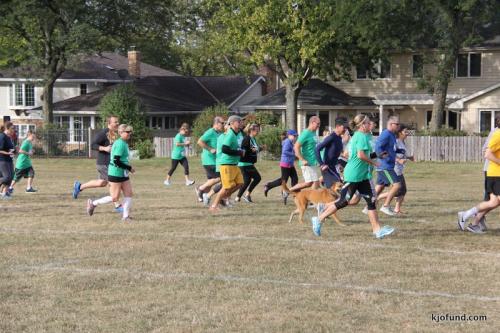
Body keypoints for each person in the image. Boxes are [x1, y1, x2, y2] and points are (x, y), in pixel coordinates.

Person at [312, 114, 395, 239]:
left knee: (371, 201)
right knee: (343, 201)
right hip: (354, 175)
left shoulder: (361, 136)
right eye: (367, 123)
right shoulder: (360, 136)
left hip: (362, 176)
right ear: (362, 125)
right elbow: (361, 155)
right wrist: (375, 162)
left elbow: (362, 155)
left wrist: (377, 154)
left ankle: (377, 230)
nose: (369, 125)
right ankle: (318, 219)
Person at [458, 117, 500, 233]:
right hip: (494, 173)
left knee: (493, 202)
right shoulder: (497, 134)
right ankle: (474, 220)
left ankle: (468, 216)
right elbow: (487, 152)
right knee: (492, 201)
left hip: (495, 173)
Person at [72, 116, 123, 212]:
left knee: (102, 182)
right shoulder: (104, 133)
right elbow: (92, 145)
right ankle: (117, 205)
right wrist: (105, 148)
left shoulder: (114, 134)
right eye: (115, 122)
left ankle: (79, 186)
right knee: (113, 184)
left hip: (109, 163)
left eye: (118, 122)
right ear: (109, 123)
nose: (117, 123)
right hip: (104, 163)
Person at [87, 124, 135, 221]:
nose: (130, 133)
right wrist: (129, 168)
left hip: (123, 173)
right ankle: (93, 204)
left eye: (130, 132)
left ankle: (125, 217)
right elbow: (116, 161)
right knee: (114, 198)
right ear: (121, 133)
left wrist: (127, 168)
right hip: (115, 173)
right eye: (127, 132)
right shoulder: (120, 144)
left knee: (129, 194)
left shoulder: (124, 143)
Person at [209, 115, 244, 212]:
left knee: (240, 183)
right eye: (239, 121)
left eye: (241, 121)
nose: (241, 123)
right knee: (226, 187)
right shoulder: (230, 134)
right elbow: (225, 149)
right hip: (226, 165)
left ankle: (225, 197)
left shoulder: (237, 134)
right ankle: (213, 206)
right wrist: (239, 152)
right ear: (232, 123)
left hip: (234, 164)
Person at [376, 125, 414, 215]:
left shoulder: (402, 142)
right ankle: (379, 198)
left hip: (399, 170)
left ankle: (397, 209)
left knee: (402, 191)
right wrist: (398, 160)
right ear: (400, 133)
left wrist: (409, 157)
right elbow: (391, 154)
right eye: (405, 131)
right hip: (394, 169)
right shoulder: (396, 142)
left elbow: (401, 154)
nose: (407, 133)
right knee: (398, 189)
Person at [374, 116, 401, 216]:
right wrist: (381, 155)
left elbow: (391, 148)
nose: (399, 126)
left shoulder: (392, 135)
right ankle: (385, 206)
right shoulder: (386, 133)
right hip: (385, 166)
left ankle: (369, 206)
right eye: (397, 124)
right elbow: (377, 146)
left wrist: (399, 151)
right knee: (397, 185)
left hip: (387, 165)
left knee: (380, 187)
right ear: (390, 124)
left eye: (399, 124)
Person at [263, 130, 299, 204]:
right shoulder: (287, 142)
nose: (295, 137)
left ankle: (296, 196)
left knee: (294, 178)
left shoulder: (290, 142)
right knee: (283, 181)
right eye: (294, 136)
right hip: (286, 164)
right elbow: (284, 151)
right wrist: (294, 153)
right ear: (289, 135)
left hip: (290, 164)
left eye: (296, 136)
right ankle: (268, 185)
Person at [288, 116, 321, 192]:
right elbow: (296, 147)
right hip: (307, 162)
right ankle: (313, 201)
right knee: (315, 183)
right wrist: (302, 159)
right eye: (318, 124)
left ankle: (288, 191)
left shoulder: (313, 133)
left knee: (309, 183)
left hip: (313, 162)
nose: (319, 126)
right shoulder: (305, 133)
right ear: (312, 122)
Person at [195, 117, 224, 202]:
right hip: (209, 160)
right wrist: (210, 149)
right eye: (222, 123)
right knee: (220, 178)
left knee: (210, 182)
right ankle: (200, 189)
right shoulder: (210, 132)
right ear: (216, 123)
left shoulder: (219, 133)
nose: (223, 125)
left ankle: (206, 197)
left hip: (216, 160)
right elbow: (200, 141)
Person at [315, 117, 348, 189]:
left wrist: (338, 164)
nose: (345, 129)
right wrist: (322, 164)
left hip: (334, 167)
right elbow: (317, 149)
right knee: (336, 190)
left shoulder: (339, 138)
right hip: (327, 169)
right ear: (337, 126)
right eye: (344, 127)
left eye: (346, 127)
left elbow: (334, 154)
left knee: (338, 189)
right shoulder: (331, 137)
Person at [235, 123, 262, 203]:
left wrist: (260, 148)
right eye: (257, 130)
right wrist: (255, 149)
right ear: (251, 130)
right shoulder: (247, 139)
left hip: (249, 163)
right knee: (256, 178)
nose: (258, 132)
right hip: (244, 163)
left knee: (248, 180)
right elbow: (244, 149)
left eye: (258, 130)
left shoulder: (252, 139)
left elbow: (254, 149)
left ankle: (239, 197)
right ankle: (246, 195)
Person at [0, 122, 15, 199]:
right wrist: (8, 153)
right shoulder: (2, 136)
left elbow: (10, 148)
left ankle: (4, 193)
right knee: (6, 177)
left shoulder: (9, 137)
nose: (13, 130)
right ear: (7, 128)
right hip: (2, 160)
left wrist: (14, 151)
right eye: (12, 128)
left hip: (9, 159)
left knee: (11, 177)